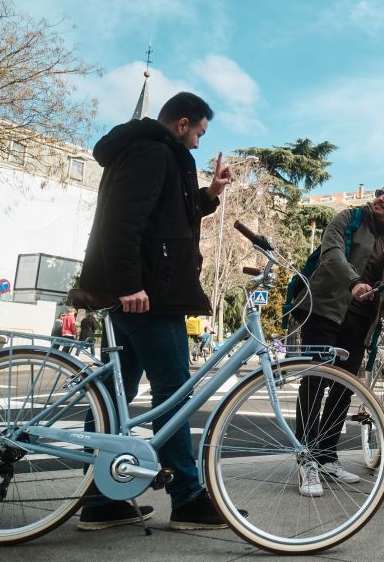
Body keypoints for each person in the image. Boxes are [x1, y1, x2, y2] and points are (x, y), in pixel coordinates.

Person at [77, 92, 235, 531]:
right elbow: (122, 221)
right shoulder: (152, 151)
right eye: (199, 132)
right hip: (148, 295)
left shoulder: (155, 152)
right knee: (173, 394)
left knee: (114, 396)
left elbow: (171, 215)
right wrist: (130, 285)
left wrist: (211, 193)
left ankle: (99, 499)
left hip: (143, 291)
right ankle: (187, 497)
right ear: (182, 123)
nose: (200, 144)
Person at [289, 183, 384, 497]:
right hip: (324, 310)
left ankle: (326, 456)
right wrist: (354, 282)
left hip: (359, 321)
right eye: (379, 193)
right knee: (315, 383)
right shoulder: (349, 218)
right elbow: (331, 255)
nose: (381, 199)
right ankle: (306, 457)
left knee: (345, 388)